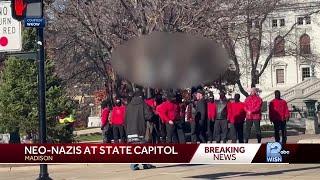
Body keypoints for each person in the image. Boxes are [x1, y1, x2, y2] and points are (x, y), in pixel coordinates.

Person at [124, 90, 155, 170]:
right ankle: (143, 164)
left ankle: (136, 164)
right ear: (141, 96)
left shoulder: (128, 106)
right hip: (140, 129)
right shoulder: (143, 104)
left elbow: (125, 119)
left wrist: (127, 130)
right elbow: (149, 116)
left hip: (130, 131)